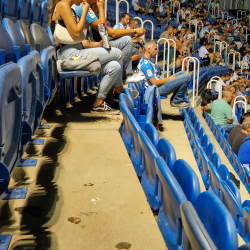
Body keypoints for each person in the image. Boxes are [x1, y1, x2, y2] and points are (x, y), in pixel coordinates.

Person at [49, 0, 125, 114]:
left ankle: (98, 103)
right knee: (117, 53)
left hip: (76, 52)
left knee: (115, 66)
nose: (82, 1)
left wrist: (97, 45)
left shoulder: (70, 9)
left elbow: (79, 41)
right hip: (69, 56)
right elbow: (75, 34)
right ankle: (119, 94)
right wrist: (85, 12)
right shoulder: (63, 5)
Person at [74, 3, 146, 84]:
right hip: (79, 51)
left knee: (117, 60)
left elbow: (101, 29)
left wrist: (97, 44)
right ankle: (126, 76)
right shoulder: (81, 7)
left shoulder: (85, 8)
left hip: (93, 45)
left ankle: (118, 86)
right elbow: (105, 29)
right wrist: (134, 31)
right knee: (122, 49)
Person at [138, 40, 191, 109]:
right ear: (149, 50)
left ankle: (176, 99)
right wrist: (169, 79)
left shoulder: (148, 61)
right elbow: (154, 82)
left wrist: (169, 78)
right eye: (155, 49)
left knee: (181, 73)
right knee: (187, 77)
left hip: (159, 86)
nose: (157, 51)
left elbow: (157, 79)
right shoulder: (146, 64)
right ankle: (176, 101)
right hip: (156, 89)